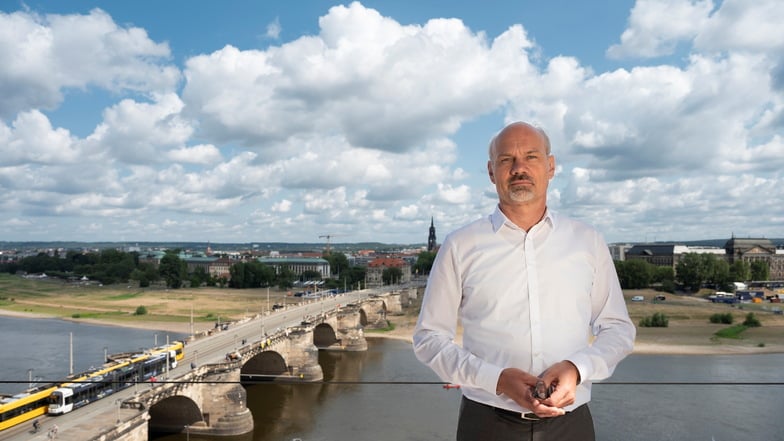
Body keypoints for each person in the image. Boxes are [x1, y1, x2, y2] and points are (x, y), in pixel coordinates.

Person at [412, 121, 635, 440]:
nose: (519, 168)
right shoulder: (460, 245)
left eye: (531, 156)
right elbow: (429, 338)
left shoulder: (588, 241)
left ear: (551, 166)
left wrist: (577, 369)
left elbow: (618, 329)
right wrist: (497, 380)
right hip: (486, 424)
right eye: (506, 160)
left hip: (570, 425)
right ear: (492, 172)